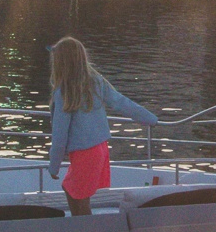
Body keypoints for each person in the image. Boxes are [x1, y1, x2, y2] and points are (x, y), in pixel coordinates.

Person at [47, 36, 159, 215]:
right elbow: (121, 102)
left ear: (61, 63)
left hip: (85, 153)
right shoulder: (95, 81)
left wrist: (54, 165)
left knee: (78, 199)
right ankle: (85, 229)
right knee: (72, 190)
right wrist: (149, 118)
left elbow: (60, 135)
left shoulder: (64, 91)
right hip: (100, 149)